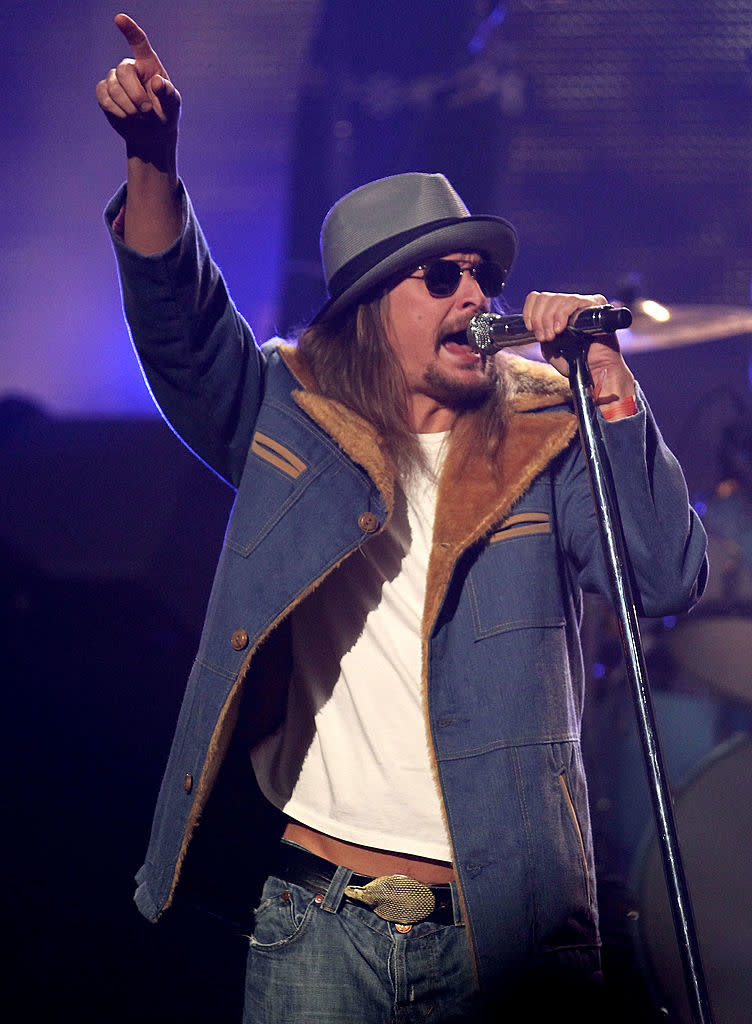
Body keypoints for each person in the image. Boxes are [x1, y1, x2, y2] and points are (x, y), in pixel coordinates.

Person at [97, 14, 708, 1022]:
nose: (474, 294)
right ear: (368, 307)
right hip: (316, 925)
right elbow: (183, 327)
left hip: (502, 936)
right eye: (441, 276)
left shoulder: (545, 434)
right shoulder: (291, 417)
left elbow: (664, 578)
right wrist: (152, 159)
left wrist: (606, 388)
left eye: (482, 275)